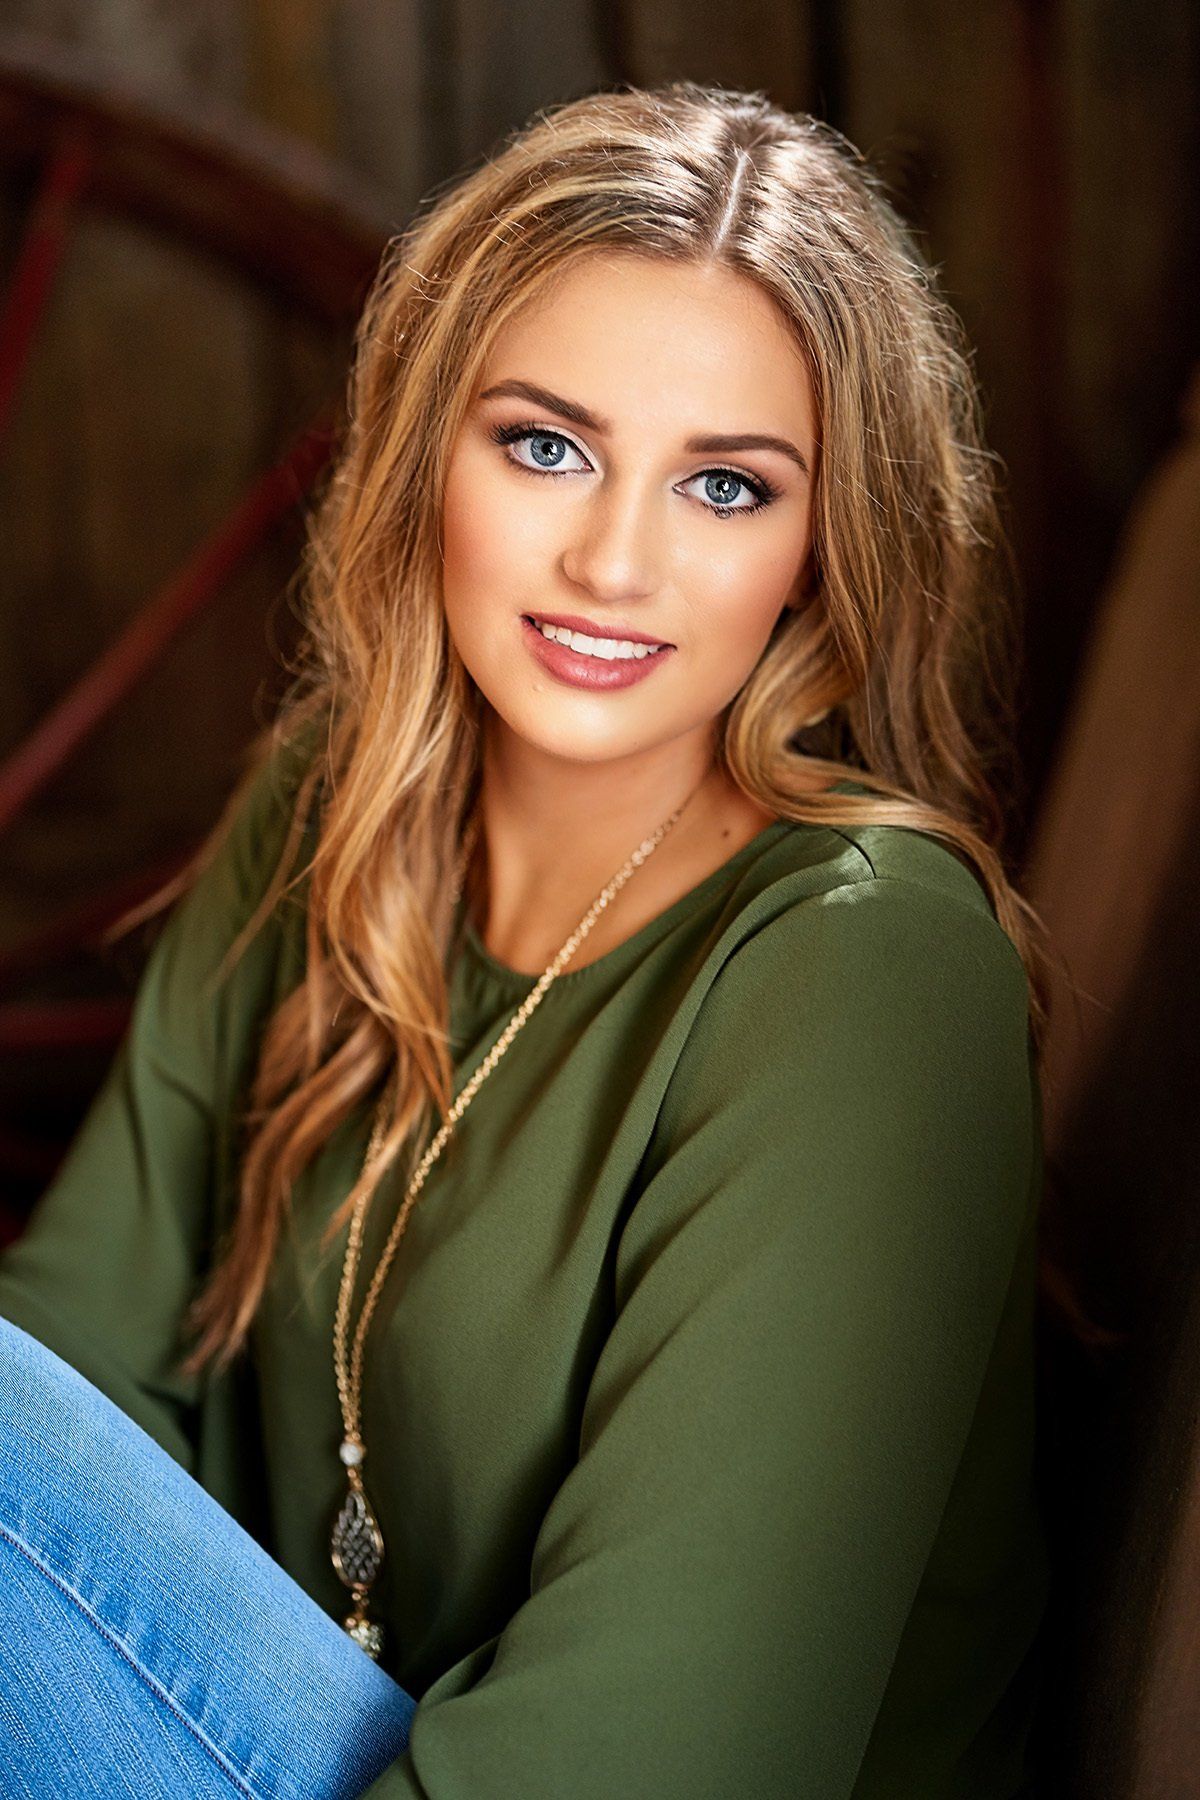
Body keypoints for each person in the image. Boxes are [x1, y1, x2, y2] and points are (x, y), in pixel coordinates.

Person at [0, 79, 1055, 1797]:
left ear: (817, 547)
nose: (615, 560)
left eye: (726, 486)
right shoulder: (329, 814)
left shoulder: (869, 969)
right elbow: (76, 1372)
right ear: (429, 451)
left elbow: (653, 1761)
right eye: (547, 444)